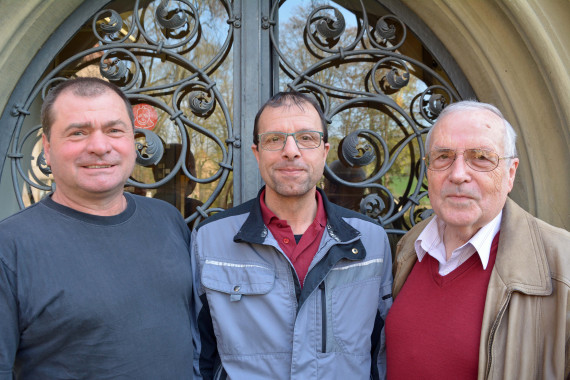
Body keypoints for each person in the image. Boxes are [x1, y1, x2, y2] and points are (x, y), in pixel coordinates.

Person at [0, 77, 194, 379]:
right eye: (78, 132)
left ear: (133, 140)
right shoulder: (9, 248)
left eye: (114, 130)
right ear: (48, 150)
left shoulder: (167, 220)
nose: (100, 146)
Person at [191, 92, 393, 379]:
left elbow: (383, 352)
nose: (291, 150)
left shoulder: (369, 240)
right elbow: (198, 355)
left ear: (324, 151)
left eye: (306, 138)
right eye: (274, 139)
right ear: (256, 153)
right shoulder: (210, 239)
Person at [385, 100, 570, 379]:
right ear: (428, 171)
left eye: (481, 157)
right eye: (443, 156)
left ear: (510, 173)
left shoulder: (562, 264)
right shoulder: (411, 247)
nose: (458, 174)